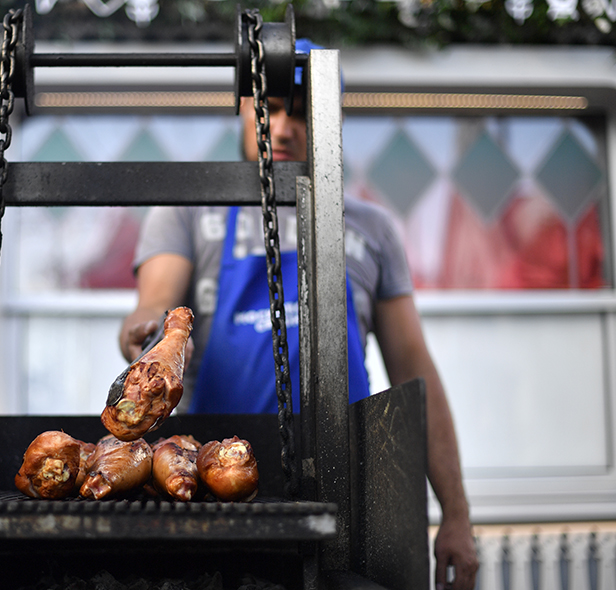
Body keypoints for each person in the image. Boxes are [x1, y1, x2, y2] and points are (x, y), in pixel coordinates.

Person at [118, 41, 478, 590]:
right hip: (210, 493)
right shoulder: (188, 211)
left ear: (330, 119)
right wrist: (147, 327)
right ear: (243, 108)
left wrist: (456, 515)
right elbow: (155, 299)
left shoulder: (371, 229)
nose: (282, 128)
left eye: (301, 112)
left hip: (347, 499)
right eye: (269, 108)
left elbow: (415, 374)